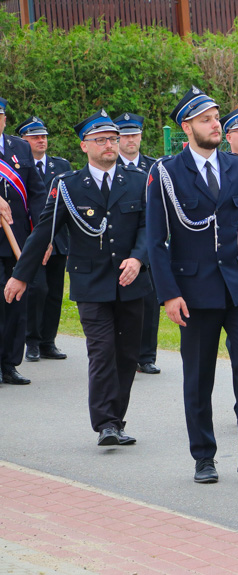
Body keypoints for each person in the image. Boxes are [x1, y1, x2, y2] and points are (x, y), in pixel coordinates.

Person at [146, 86, 238, 484]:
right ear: (187, 127)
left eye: (216, 117)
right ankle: (203, 456)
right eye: (205, 119)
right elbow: (155, 239)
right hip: (193, 292)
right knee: (199, 378)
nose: (215, 124)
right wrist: (168, 293)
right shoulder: (165, 173)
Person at [5, 111, 150, 446]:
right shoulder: (67, 186)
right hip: (91, 284)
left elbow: (150, 228)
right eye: (100, 140)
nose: (109, 145)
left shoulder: (140, 180)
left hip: (132, 282)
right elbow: (43, 232)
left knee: (127, 356)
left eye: (113, 139)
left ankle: (117, 417)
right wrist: (21, 276)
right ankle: (106, 424)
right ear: (84, 146)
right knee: (102, 351)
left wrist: (138, 258)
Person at [0, 98, 47, 385]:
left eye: (0, 115)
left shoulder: (20, 148)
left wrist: (42, 234)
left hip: (19, 242)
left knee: (17, 302)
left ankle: (9, 363)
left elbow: (37, 193)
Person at [16, 116, 71, 364]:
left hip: (58, 239)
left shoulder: (61, 166)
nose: (42, 141)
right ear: (23, 141)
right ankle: (33, 341)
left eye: (44, 136)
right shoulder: (17, 167)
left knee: (55, 292)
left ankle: (49, 341)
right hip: (32, 237)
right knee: (37, 289)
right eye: (36, 137)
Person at [113, 112, 161, 376]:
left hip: (150, 243)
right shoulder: (109, 166)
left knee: (150, 302)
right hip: (118, 242)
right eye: (125, 135)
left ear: (141, 136)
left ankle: (146, 355)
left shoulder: (155, 167)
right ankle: (120, 354)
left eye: (135, 134)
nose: (131, 140)